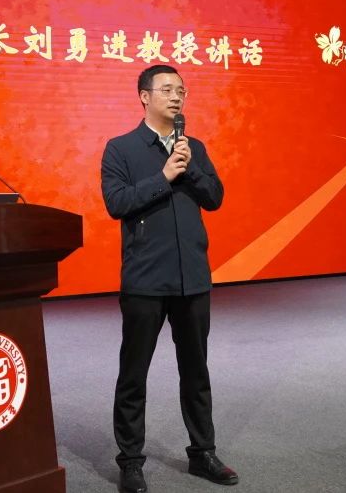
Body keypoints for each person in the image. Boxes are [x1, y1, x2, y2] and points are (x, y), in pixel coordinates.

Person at [101, 65, 239, 492]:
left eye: (181, 90)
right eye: (166, 89)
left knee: (196, 371)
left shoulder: (193, 147)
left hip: (192, 278)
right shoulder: (121, 148)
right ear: (144, 96)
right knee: (133, 374)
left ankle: (203, 453)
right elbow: (117, 203)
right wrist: (163, 177)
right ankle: (131, 461)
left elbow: (214, 198)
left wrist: (188, 168)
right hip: (145, 279)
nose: (177, 96)